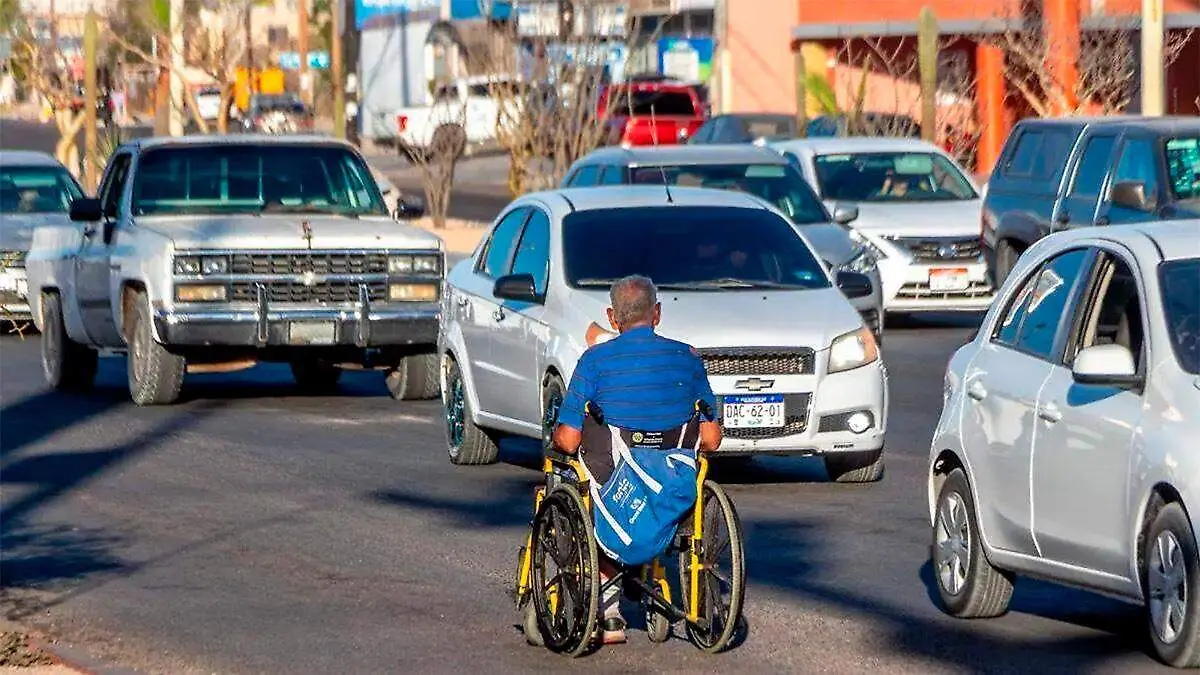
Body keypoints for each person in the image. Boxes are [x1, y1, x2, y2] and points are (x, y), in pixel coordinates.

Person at [553, 275, 722, 645]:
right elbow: (711, 439)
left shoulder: (594, 361)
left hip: (618, 482)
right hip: (673, 480)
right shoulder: (688, 358)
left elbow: (567, 440)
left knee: (579, 464)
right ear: (657, 313)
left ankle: (609, 608)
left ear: (612, 317)